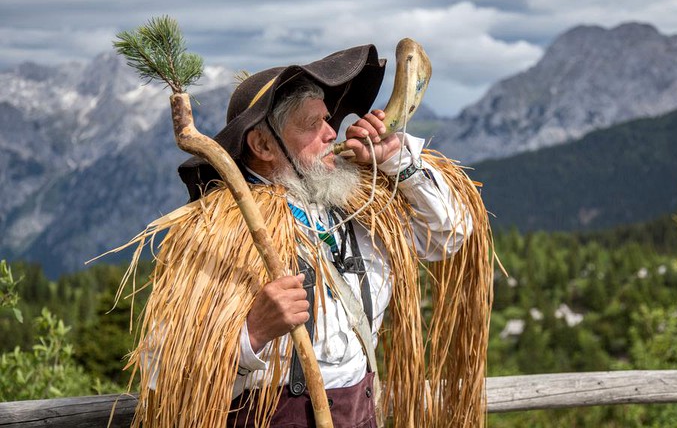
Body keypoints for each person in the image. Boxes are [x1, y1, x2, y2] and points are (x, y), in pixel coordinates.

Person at [125, 44, 493, 428]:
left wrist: (395, 158)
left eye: (328, 120)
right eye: (312, 124)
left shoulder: (355, 208)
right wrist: (252, 334)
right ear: (263, 145)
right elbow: (162, 369)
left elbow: (449, 233)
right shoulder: (215, 233)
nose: (332, 133)